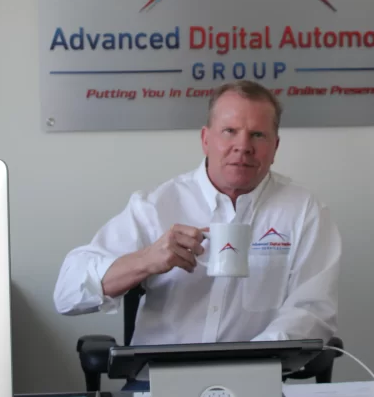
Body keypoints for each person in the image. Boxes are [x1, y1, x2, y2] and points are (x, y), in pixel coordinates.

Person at [53, 80, 341, 345]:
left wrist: (251, 361)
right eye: (230, 131)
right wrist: (145, 260)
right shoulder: (157, 205)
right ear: (205, 139)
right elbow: (66, 295)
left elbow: (313, 310)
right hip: (157, 376)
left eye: (257, 135)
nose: (243, 146)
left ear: (275, 146)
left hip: (257, 376)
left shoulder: (303, 210)